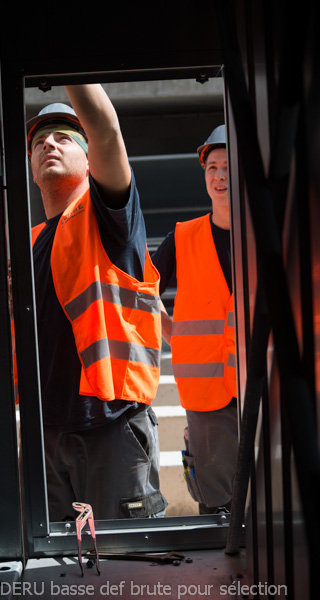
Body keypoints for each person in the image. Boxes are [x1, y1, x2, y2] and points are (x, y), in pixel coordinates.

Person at [25, 84, 167, 521]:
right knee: (54, 573)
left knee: (127, 569)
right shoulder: (31, 243)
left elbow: (106, 131)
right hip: (47, 434)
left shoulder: (107, 217)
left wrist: (66, 49)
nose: (49, 143)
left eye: (64, 137)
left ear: (90, 160)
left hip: (110, 426)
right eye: (39, 142)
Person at [152, 124, 238, 514]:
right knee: (216, 501)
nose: (219, 176)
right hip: (207, 394)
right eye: (212, 168)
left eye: (228, 166)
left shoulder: (271, 235)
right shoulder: (183, 238)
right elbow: (142, 290)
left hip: (268, 387)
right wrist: (175, 335)